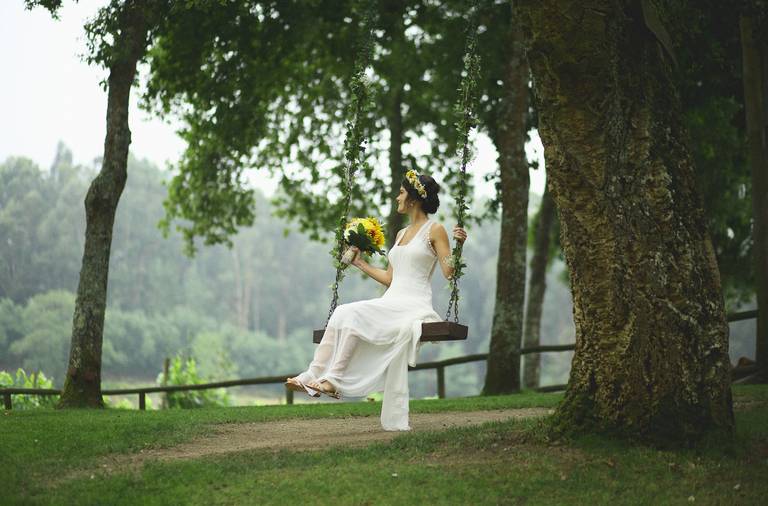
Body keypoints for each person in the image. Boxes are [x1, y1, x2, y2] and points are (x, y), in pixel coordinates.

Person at [285, 169, 468, 431]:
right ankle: (313, 375)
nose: (397, 197)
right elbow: (391, 278)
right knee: (342, 313)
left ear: (414, 199)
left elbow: (449, 273)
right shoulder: (402, 234)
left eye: (401, 192)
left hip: (413, 305)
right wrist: (360, 263)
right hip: (392, 300)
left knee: (352, 314)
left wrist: (459, 245)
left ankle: (333, 381)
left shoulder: (435, 229)